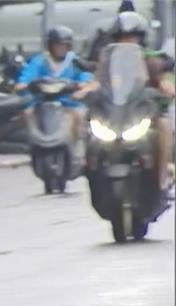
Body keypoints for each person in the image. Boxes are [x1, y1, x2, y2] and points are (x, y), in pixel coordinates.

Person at [107, 11, 176, 197]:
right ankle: (90, 171)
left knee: (164, 127)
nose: (127, 41)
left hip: (145, 113)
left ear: (141, 39)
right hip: (117, 114)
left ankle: (162, 178)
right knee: (91, 131)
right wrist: (88, 88)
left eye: (131, 37)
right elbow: (97, 79)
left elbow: (162, 73)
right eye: (122, 37)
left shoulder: (150, 58)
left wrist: (164, 84)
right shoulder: (108, 59)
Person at [15, 26, 96, 164]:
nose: (60, 49)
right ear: (50, 46)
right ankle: (33, 147)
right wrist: (23, 84)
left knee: (78, 117)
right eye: (57, 46)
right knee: (27, 114)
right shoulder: (40, 60)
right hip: (41, 103)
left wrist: (83, 85)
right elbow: (27, 76)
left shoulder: (74, 61)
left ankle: (75, 151)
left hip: (68, 103)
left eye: (63, 46)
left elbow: (85, 75)